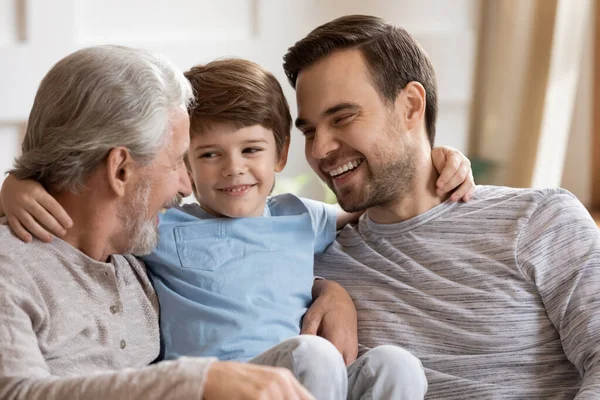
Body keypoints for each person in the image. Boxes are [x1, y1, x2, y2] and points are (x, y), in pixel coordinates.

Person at [0, 57, 475, 399]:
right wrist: (17, 183)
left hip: (300, 373)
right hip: (259, 375)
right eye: (183, 161)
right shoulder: (21, 265)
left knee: (392, 364)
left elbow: (367, 210)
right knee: (312, 357)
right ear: (121, 170)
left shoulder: (129, 260)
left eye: (251, 150)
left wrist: (330, 288)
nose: (187, 185)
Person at [279, 14, 600, 399]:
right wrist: (323, 286)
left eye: (343, 117)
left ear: (411, 107)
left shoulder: (538, 221)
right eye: (309, 131)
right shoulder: (316, 257)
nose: (319, 150)